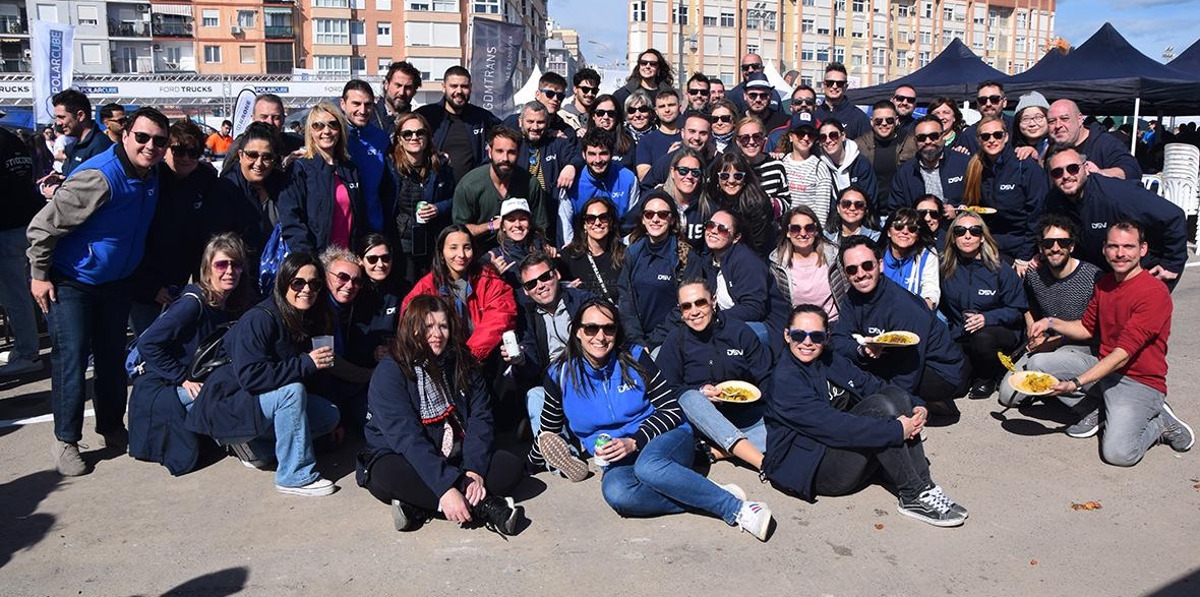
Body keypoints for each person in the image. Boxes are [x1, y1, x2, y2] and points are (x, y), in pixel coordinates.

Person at [529, 298, 774, 541]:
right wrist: (527, 466)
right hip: (617, 457)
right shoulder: (559, 375)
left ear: (617, 331)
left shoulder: (635, 358)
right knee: (617, 494)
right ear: (577, 332)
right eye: (591, 328)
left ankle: (738, 509)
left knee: (649, 467)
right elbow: (548, 431)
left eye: (609, 328)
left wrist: (635, 441)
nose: (600, 337)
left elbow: (671, 411)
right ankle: (703, 493)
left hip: (667, 436)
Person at [28, 107, 169, 475]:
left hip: (115, 283)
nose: (149, 146)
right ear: (125, 135)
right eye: (142, 137)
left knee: (110, 360)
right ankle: (66, 440)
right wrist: (39, 274)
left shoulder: (151, 175)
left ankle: (110, 426)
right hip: (72, 280)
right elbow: (44, 226)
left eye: (158, 140)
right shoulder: (100, 176)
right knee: (72, 358)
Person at [763, 304, 968, 527]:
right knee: (881, 409)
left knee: (894, 394)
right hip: (813, 467)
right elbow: (834, 426)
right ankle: (912, 493)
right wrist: (896, 430)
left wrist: (916, 406)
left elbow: (869, 384)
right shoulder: (786, 380)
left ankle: (924, 486)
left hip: (834, 448)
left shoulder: (828, 359)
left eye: (817, 336)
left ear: (827, 337)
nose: (807, 342)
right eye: (799, 335)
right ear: (787, 335)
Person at [1028, 221, 1193, 465]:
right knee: (1038, 363)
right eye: (1113, 246)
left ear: (1143, 249)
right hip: (1104, 368)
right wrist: (1050, 322)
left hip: (1138, 381)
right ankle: (1101, 410)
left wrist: (1075, 383)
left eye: (1128, 246)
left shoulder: (1153, 292)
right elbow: (1086, 328)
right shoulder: (1104, 284)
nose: (1120, 253)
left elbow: (1123, 354)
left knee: (1118, 454)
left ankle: (1160, 424)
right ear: (1104, 249)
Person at [357, 294, 525, 534]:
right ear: (411, 329)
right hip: (403, 455)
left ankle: (418, 507)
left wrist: (474, 470)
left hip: (455, 454)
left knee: (510, 466)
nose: (436, 334)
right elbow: (406, 437)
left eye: (443, 326)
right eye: (427, 326)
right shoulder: (390, 372)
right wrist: (446, 487)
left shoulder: (462, 362)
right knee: (388, 474)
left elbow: (481, 417)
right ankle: (486, 507)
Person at [185, 252, 340, 495]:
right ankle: (294, 475)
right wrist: (306, 364)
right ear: (283, 282)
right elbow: (251, 377)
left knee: (329, 416)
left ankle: (253, 446)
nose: (306, 289)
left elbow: (314, 374)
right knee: (292, 391)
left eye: (314, 283)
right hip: (229, 401)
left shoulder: (308, 317)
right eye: (298, 282)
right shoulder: (261, 318)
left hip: (257, 404)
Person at [128, 233, 255, 474]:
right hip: (162, 386)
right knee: (225, 393)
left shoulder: (228, 302)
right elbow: (148, 344)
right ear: (208, 269)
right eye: (221, 264)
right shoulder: (192, 304)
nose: (229, 271)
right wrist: (181, 378)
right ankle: (237, 443)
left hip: (192, 378)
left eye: (236, 264)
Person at [832, 236, 967, 410]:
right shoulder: (853, 296)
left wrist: (895, 403)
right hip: (892, 360)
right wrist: (861, 351)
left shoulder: (903, 306)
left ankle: (930, 403)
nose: (860, 274)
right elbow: (838, 340)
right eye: (852, 269)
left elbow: (909, 368)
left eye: (867, 265)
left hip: (937, 371)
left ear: (880, 265)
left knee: (867, 385)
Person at [129, 119, 229, 336]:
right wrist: (149, 287)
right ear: (166, 149)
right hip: (144, 282)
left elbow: (207, 235)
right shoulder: (149, 178)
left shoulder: (206, 180)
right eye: (179, 150)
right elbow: (131, 236)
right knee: (148, 345)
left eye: (193, 152)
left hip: (183, 280)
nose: (185, 158)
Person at [657, 279, 771, 469]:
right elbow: (666, 388)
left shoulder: (739, 332)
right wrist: (700, 392)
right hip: (700, 421)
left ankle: (718, 451)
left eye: (700, 302)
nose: (694, 311)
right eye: (686, 306)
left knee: (786, 424)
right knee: (689, 398)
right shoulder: (675, 339)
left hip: (743, 414)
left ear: (714, 301)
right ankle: (763, 463)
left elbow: (765, 376)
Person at [1044, 147, 1186, 290]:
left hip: (1143, 271)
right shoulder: (1054, 200)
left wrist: (1172, 263)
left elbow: (1174, 216)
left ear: (1086, 168)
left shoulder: (1117, 194)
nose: (1066, 175)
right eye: (1057, 172)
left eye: (1073, 168)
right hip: (1104, 277)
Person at [999, 215, 1102, 409]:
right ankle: (1053, 386)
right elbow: (1026, 302)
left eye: (1062, 242)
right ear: (1040, 248)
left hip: (1083, 346)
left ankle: (1089, 408)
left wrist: (1055, 341)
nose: (1055, 248)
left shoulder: (1092, 276)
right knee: (1007, 396)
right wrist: (1032, 328)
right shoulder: (1034, 274)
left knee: (1039, 362)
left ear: (1071, 246)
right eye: (1048, 243)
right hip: (1048, 342)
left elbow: (1095, 329)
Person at [939, 212, 1027, 399]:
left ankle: (990, 376)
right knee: (955, 387)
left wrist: (987, 318)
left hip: (999, 332)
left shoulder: (1000, 269)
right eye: (960, 231)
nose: (967, 235)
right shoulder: (945, 269)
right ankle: (973, 371)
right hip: (962, 334)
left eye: (975, 231)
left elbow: (1017, 310)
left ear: (982, 238)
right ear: (953, 238)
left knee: (982, 338)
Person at [505, 252, 593, 436]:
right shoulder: (526, 317)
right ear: (525, 291)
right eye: (531, 284)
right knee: (535, 396)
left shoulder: (582, 301)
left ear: (557, 275)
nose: (540, 286)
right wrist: (521, 360)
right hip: (554, 384)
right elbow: (533, 368)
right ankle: (562, 460)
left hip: (591, 376)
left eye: (544, 277)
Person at [404, 225, 517, 365]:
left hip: (482, 358)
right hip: (439, 358)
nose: (461, 254)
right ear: (441, 252)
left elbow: (500, 316)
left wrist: (470, 356)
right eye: (453, 248)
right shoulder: (427, 286)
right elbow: (408, 321)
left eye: (467, 247)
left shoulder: (488, 279)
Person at [277, 101, 367, 255]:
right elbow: (292, 220)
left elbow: (360, 217)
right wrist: (309, 260)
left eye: (333, 125)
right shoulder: (300, 168)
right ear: (310, 131)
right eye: (318, 125)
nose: (326, 131)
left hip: (348, 259)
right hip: (316, 260)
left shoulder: (350, 169)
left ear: (340, 130)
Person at [960, 116, 1047, 269]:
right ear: (979, 140)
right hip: (990, 245)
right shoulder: (975, 168)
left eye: (997, 135)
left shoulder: (1025, 167)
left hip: (1020, 248)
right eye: (985, 136)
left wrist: (1024, 257)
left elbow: (1037, 215)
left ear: (1006, 137)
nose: (992, 140)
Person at [618, 193, 698, 352]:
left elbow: (686, 307)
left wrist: (651, 342)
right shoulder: (632, 253)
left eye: (662, 214)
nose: (655, 219)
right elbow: (626, 300)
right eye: (649, 214)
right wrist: (637, 341)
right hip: (636, 341)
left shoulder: (686, 257)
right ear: (642, 219)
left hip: (672, 340)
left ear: (672, 219)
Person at [698, 210, 789, 346]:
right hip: (730, 322)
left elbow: (753, 308)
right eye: (710, 225)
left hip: (767, 328)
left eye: (722, 229)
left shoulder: (747, 262)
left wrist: (713, 318)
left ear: (736, 237)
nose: (714, 231)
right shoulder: (708, 261)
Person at [385, 112, 456, 285]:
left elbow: (455, 199)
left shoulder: (440, 166)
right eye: (407, 134)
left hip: (432, 244)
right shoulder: (389, 167)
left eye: (420, 133)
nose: (414, 137)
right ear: (399, 139)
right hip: (402, 246)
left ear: (427, 136)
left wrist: (438, 208)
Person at [451, 126, 547, 250]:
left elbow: (540, 226)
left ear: (518, 153)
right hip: (480, 252)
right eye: (499, 151)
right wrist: (491, 225)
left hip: (521, 251)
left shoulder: (530, 183)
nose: (505, 158)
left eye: (511, 152)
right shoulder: (469, 185)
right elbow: (460, 232)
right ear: (490, 152)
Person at [0, 121, 45, 378]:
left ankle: (28, 352)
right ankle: (27, 347)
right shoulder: (13, 140)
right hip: (25, 223)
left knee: (15, 296)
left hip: (7, 228)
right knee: (25, 292)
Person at [219, 122, 290, 271]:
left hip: (279, 273)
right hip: (240, 275)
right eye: (252, 155)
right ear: (240, 155)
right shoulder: (225, 189)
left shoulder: (283, 184)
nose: (259, 163)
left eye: (267, 157)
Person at [415, 66, 502, 180]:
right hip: (435, 190)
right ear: (443, 87)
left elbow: (507, 131)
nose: (459, 91)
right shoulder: (426, 115)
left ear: (470, 88)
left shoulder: (481, 117)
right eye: (454, 86)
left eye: (464, 86)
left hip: (470, 190)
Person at [769, 205, 847, 321]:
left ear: (816, 231)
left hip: (834, 322)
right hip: (799, 326)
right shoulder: (778, 264)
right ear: (787, 232)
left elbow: (847, 290)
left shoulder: (833, 256)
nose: (803, 233)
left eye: (809, 228)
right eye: (795, 228)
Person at [561, 131, 639, 243]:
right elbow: (565, 226)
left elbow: (633, 221)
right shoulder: (572, 182)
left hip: (618, 242)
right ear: (583, 155)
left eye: (603, 153)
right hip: (583, 243)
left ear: (612, 154)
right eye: (592, 154)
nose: (598, 160)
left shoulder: (628, 179)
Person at [887, 116, 970, 217]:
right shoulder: (905, 172)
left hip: (956, 228)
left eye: (934, 136)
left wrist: (958, 212)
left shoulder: (964, 164)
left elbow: (979, 202)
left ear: (943, 136)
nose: (928, 141)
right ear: (915, 141)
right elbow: (896, 211)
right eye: (921, 138)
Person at [341, 80, 393, 238]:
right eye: (356, 104)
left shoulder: (381, 138)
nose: (362, 110)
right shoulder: (333, 135)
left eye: (368, 104)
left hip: (374, 225)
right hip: (343, 224)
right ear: (343, 104)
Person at [39, 89, 113, 198]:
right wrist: (60, 177)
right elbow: (78, 180)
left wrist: (56, 191)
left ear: (80, 115)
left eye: (62, 117)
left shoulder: (100, 146)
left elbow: (96, 191)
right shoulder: (74, 145)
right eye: (56, 118)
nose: (58, 123)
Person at [349, 234, 407, 370]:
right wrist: (371, 353)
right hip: (357, 364)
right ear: (360, 260)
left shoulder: (402, 289)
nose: (380, 265)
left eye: (386, 258)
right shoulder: (351, 289)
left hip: (395, 359)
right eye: (372, 259)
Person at [1046, 99, 1141, 180]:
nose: (1058, 125)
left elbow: (1132, 170)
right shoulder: (1048, 147)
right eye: (1051, 121)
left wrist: (1100, 173)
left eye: (1064, 119)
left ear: (1079, 119)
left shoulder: (1105, 143)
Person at [706, 152, 776, 256]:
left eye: (738, 176)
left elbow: (759, 244)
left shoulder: (757, 203)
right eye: (724, 176)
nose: (731, 181)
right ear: (718, 178)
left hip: (750, 255)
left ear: (745, 178)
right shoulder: (714, 197)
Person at [560, 197, 625, 304]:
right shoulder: (569, 256)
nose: (597, 223)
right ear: (584, 225)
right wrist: (564, 288)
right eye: (591, 219)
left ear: (610, 221)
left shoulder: (624, 254)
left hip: (614, 318)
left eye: (603, 217)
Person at [485, 198, 557, 292]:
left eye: (522, 219)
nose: (517, 224)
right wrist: (492, 275)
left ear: (530, 224)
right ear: (503, 226)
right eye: (511, 220)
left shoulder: (543, 250)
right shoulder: (495, 257)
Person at [636, 111, 715, 195]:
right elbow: (646, 188)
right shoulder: (669, 161)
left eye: (703, 133)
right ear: (682, 133)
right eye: (692, 131)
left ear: (710, 136)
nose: (696, 137)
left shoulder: (715, 162)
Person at [512, 101, 576, 203]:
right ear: (520, 122)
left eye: (540, 122)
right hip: (519, 209)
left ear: (548, 123)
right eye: (530, 121)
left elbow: (577, 155)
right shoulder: (512, 144)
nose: (535, 127)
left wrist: (572, 166)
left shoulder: (557, 143)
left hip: (549, 209)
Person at [855, 100, 917, 205]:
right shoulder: (859, 145)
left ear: (896, 121)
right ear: (871, 121)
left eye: (889, 120)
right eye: (878, 121)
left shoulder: (911, 143)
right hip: (870, 211)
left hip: (902, 210)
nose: (884, 124)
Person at [780, 112, 834, 226]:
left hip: (806, 231)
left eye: (811, 134)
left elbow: (822, 211)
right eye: (800, 133)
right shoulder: (780, 162)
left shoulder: (819, 167)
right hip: (781, 230)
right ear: (790, 136)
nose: (806, 138)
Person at [880, 208, 940, 310]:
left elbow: (931, 291)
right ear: (888, 232)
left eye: (912, 228)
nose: (905, 232)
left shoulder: (927, 254)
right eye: (898, 226)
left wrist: (919, 313)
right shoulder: (876, 255)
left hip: (915, 312)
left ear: (917, 236)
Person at [818, 119, 878, 214]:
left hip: (861, 220)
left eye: (833, 135)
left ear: (843, 136)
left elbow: (870, 199)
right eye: (823, 137)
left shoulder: (861, 164)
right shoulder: (820, 166)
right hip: (832, 223)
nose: (828, 140)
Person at [659, 148, 716, 248]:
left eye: (695, 172)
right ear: (672, 172)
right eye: (683, 171)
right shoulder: (656, 201)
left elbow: (708, 252)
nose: (689, 176)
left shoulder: (708, 209)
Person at [733, 116, 790, 215]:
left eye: (756, 136)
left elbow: (786, 201)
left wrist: (767, 204)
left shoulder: (776, 165)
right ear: (738, 141)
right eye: (744, 138)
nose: (751, 142)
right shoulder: (732, 167)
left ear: (763, 139)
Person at [503, 71, 578, 140]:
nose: (555, 99)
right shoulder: (513, 123)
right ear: (538, 94)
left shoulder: (566, 131)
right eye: (550, 94)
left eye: (560, 96)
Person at [953, 81, 1014, 155]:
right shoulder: (968, 135)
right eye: (983, 100)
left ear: (1004, 102)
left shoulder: (1017, 127)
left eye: (994, 99)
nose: (988, 104)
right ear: (977, 104)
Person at [634, 89, 683, 179]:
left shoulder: (689, 137)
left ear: (679, 107)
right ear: (656, 111)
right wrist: (668, 159)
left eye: (671, 105)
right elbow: (643, 177)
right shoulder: (646, 141)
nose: (667, 110)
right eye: (662, 106)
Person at [814, 62, 870, 139]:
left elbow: (866, 147)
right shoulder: (814, 115)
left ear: (846, 86)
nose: (834, 86)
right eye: (830, 83)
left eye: (839, 83)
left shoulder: (859, 117)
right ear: (823, 85)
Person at [767, 85, 819, 152]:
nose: (803, 105)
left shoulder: (824, 133)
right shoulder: (776, 135)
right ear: (791, 108)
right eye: (798, 102)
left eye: (809, 102)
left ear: (815, 107)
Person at [374, 60, 421, 135]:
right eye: (398, 85)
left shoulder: (418, 123)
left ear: (414, 91)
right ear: (386, 84)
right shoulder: (368, 118)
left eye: (408, 87)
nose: (401, 92)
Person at [1012, 91, 1051, 165]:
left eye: (1038, 117)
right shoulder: (1011, 149)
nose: (1032, 124)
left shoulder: (1058, 147)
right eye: (1025, 119)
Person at [560, 68, 601, 134]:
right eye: (585, 89)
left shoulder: (600, 116)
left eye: (594, 90)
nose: (589, 94)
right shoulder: (562, 117)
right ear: (575, 89)